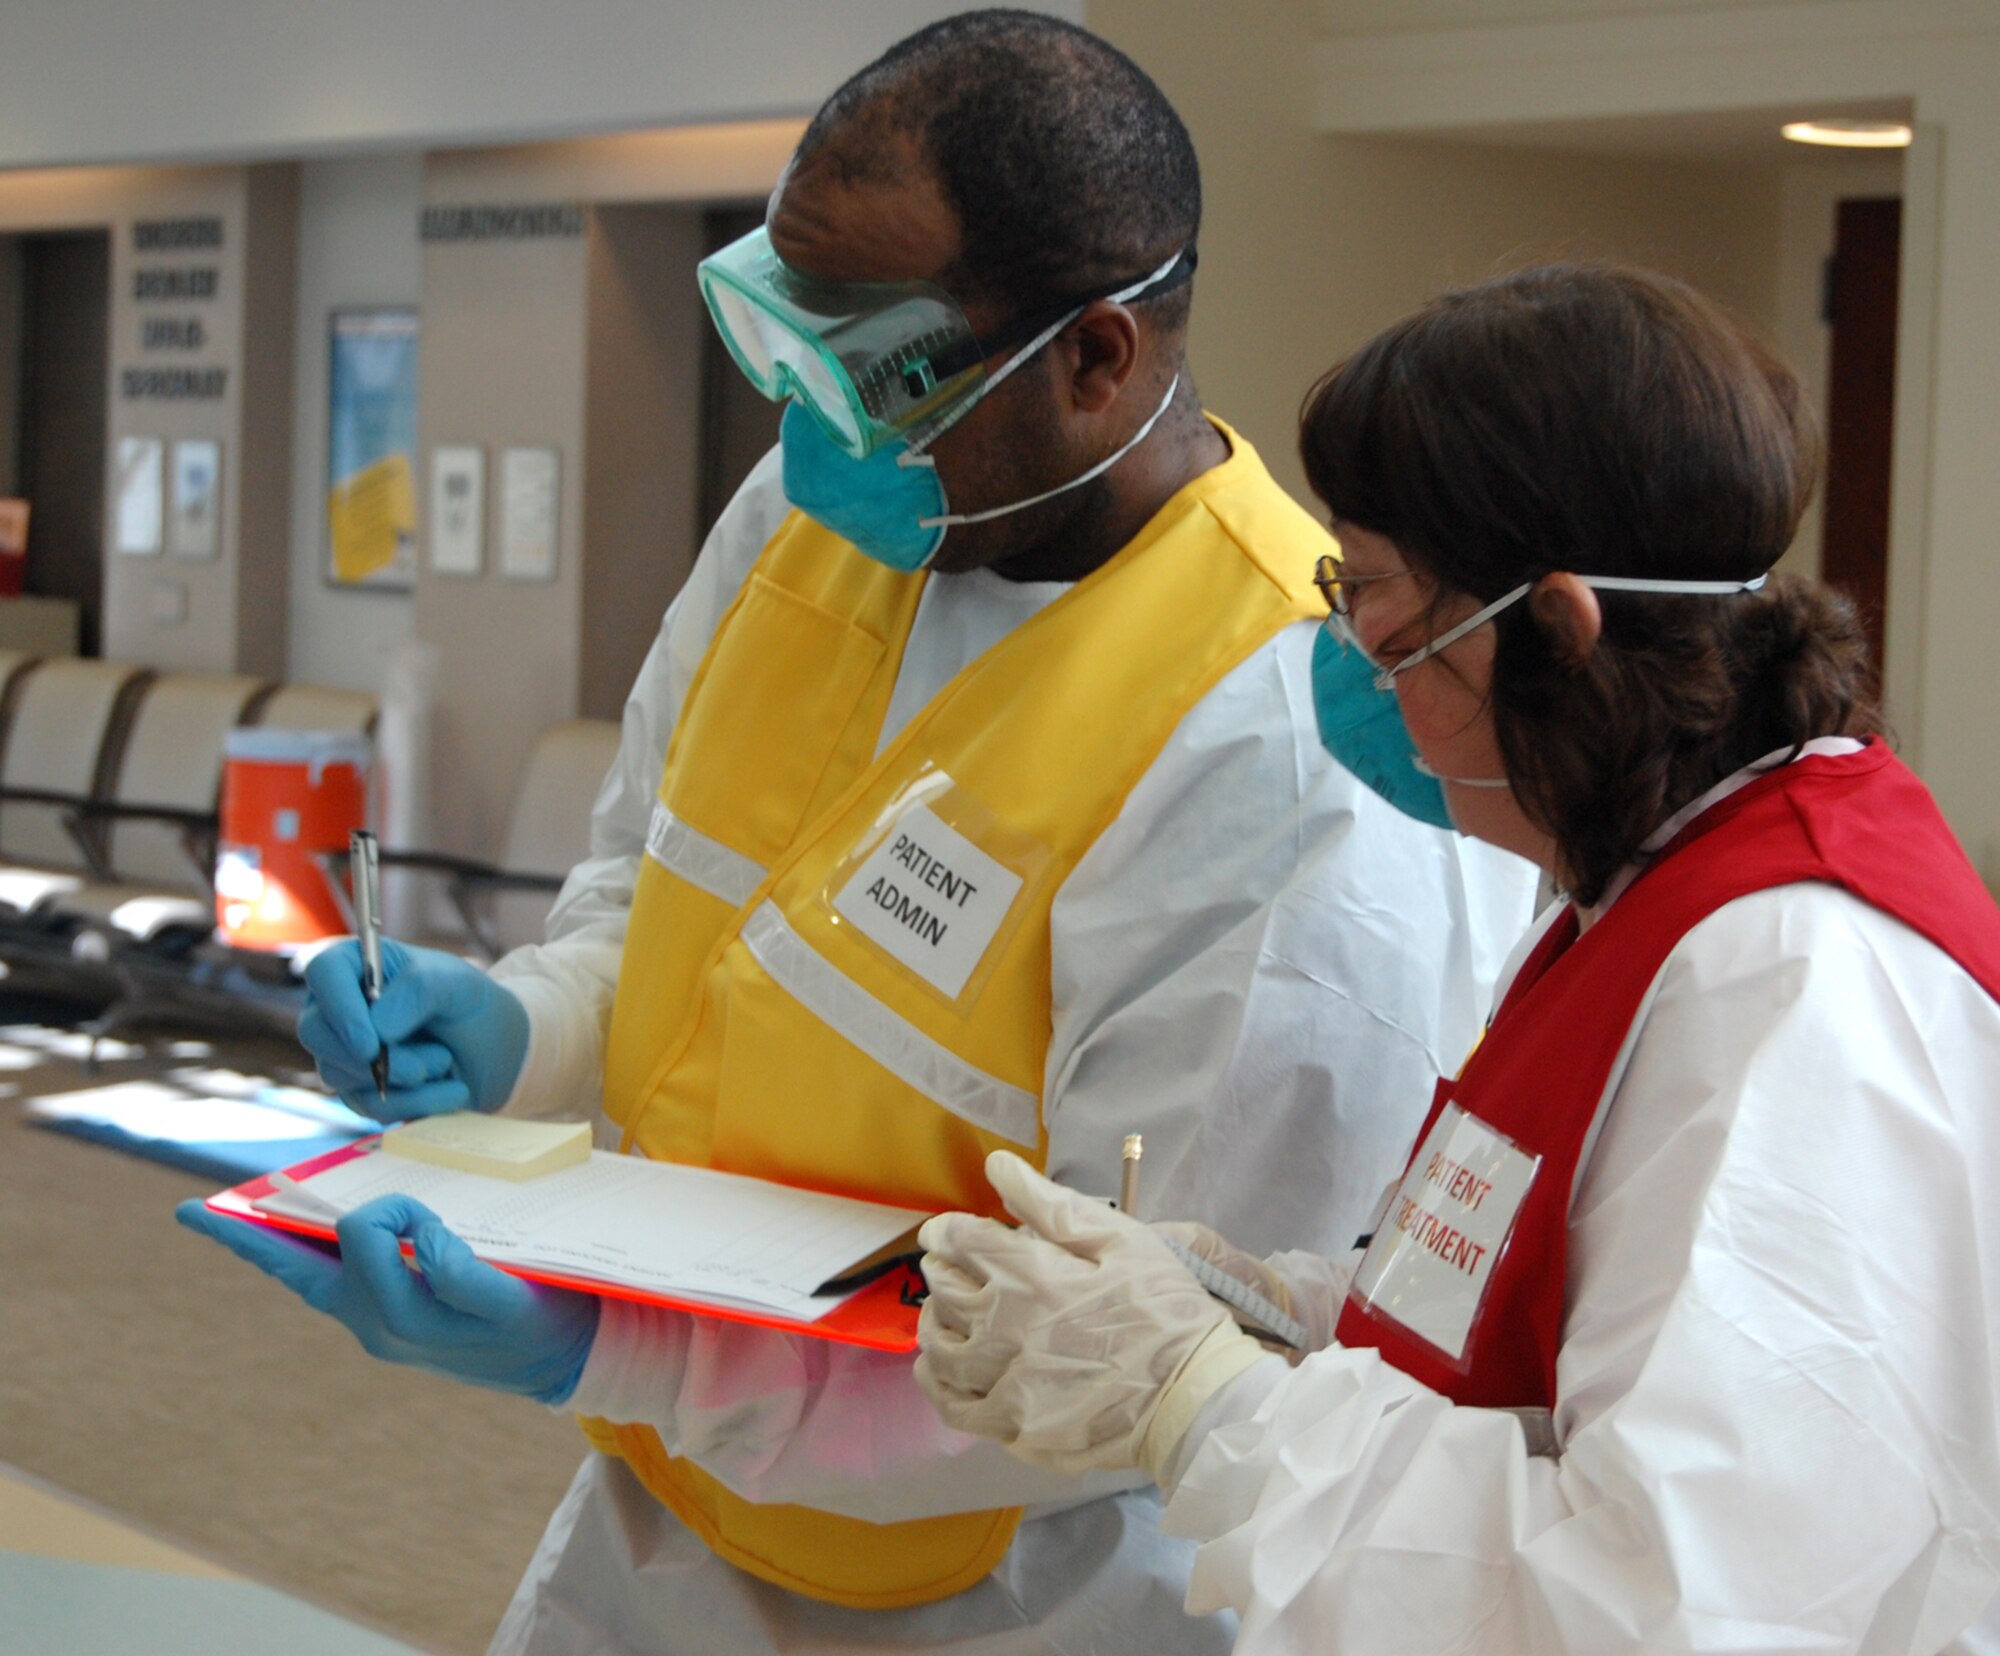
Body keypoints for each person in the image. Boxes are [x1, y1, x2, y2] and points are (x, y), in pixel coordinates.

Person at [178, 13, 1534, 1656]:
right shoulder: (822, 511)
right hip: (664, 1507)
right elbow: (663, 902)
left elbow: (1152, 1350)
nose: (812, 415)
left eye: (873, 358)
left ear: (1098, 357)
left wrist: (602, 1351)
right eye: (785, 329)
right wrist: (527, 1024)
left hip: (1012, 1588)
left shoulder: (1284, 747)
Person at [915, 261, 2000, 1654]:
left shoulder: (1797, 981)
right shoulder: (1641, 889)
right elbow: (1535, 1347)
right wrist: (1268, 1311)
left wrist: (1202, 1403)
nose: (1349, 661)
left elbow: (1672, 1605)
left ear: (1556, 627)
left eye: (1373, 606)